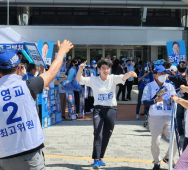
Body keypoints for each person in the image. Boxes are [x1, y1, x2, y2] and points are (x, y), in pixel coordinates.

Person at [0, 40, 73, 170]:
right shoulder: (28, 86)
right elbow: (51, 73)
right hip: (30, 154)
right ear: (18, 68)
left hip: (4, 156)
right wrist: (61, 52)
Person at [76, 59, 137, 169]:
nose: (106, 70)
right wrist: (80, 69)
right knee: (97, 133)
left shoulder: (112, 78)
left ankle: (100, 157)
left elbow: (123, 77)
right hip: (98, 110)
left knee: (107, 135)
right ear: (99, 69)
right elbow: (79, 79)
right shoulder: (93, 79)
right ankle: (96, 159)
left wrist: (131, 73)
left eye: (108, 68)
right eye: (103, 68)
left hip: (111, 110)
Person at [142, 65, 177, 170]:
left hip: (168, 117)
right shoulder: (149, 86)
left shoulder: (170, 86)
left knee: (175, 139)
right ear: (155, 75)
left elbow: (174, 98)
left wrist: (173, 100)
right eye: (161, 74)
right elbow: (145, 102)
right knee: (155, 142)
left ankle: (168, 158)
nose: (163, 75)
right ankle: (156, 162)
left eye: (164, 74)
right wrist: (155, 101)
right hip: (155, 117)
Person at [167, 62, 188, 136]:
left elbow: (167, 77)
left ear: (177, 70)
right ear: (185, 69)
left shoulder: (176, 77)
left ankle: (180, 132)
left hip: (179, 98)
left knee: (178, 115)